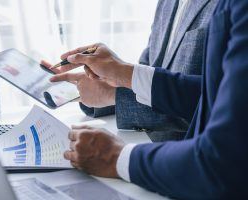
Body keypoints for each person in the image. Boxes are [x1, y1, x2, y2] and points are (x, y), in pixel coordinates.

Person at [50, 0, 248, 198]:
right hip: (162, 168)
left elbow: (210, 109)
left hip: (186, 171)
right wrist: (118, 81)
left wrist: (115, 156)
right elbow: (150, 68)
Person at [42, 0, 219, 142]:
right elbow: (149, 71)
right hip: (146, 149)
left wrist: (114, 92)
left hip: (193, 164)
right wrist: (109, 83)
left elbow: (215, 103)